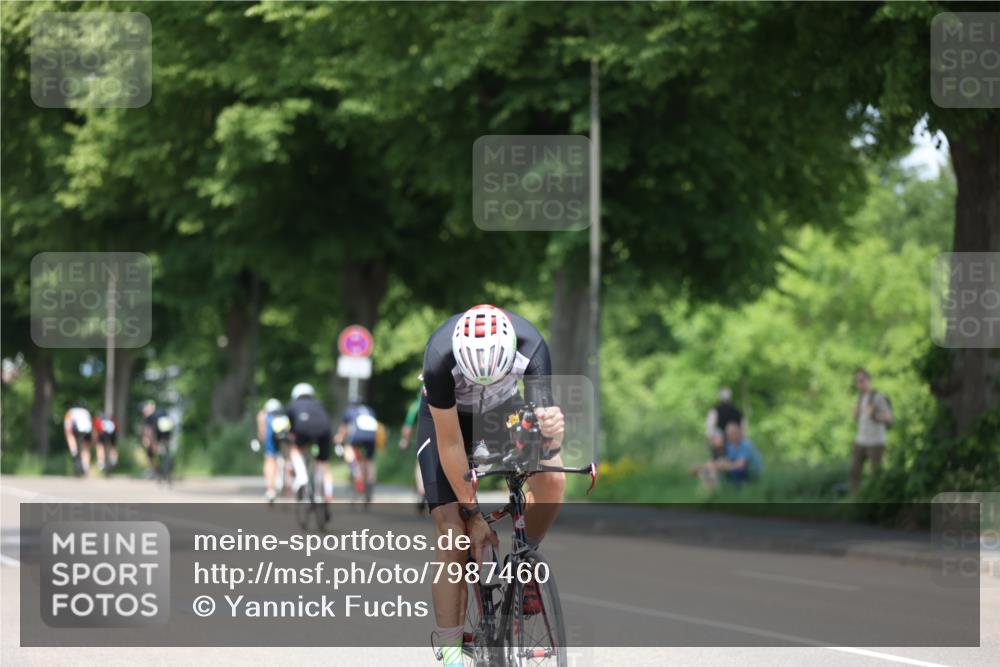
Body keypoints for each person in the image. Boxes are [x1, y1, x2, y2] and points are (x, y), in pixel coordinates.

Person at [416, 304, 565, 667]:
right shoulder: (439, 356)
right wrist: (472, 512)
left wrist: (554, 436)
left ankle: (524, 563)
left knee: (553, 480)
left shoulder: (531, 346)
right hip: (449, 422)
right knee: (454, 533)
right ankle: (452, 655)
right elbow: (450, 444)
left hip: (503, 413)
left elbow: (544, 431)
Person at [285, 382, 334, 502]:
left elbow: (288, 426)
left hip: (302, 429)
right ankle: (320, 493)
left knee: (295, 449)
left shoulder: (292, 405)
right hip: (324, 431)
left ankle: (302, 477)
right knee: (322, 462)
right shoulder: (319, 404)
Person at [849, 367, 893, 495]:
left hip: (876, 442)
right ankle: (854, 500)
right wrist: (856, 414)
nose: (860, 384)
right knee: (853, 472)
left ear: (869, 380)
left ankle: (874, 500)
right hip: (861, 440)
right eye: (857, 381)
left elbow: (888, 418)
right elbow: (860, 418)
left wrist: (874, 415)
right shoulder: (860, 397)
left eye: (862, 380)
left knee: (876, 475)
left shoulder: (878, 397)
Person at [335, 401, 379, 503]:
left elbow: (344, 428)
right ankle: (370, 482)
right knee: (369, 461)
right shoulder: (369, 410)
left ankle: (358, 477)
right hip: (372, 437)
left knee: (349, 450)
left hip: (358, 436)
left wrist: (339, 438)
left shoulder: (349, 410)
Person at [257, 398, 291, 502]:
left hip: (271, 436)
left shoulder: (264, 414)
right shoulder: (284, 414)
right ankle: (288, 487)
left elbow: (262, 433)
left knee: (270, 459)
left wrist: (261, 441)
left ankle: (270, 490)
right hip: (284, 435)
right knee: (287, 458)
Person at [399, 388, 427, 511]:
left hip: (424, 437)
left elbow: (408, 426)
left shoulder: (416, 405)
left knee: (420, 465)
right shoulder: (441, 400)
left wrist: (404, 440)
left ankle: (421, 491)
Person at [141, 400, 175, 476]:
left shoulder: (150, 416)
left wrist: (146, 439)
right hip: (167, 432)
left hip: (157, 433)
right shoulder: (163, 412)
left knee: (151, 451)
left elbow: (149, 430)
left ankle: (154, 470)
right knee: (166, 448)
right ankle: (168, 463)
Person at [63, 403, 94, 476]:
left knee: (69, 435)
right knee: (86, 449)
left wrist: (67, 434)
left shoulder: (71, 411)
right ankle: (86, 466)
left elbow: (67, 425)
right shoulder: (86, 411)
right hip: (87, 430)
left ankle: (73, 450)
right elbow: (90, 423)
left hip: (77, 429)